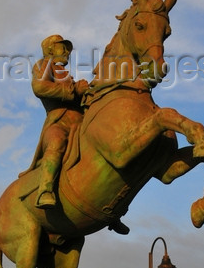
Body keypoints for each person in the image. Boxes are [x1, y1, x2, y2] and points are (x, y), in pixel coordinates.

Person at [23, 34, 129, 234]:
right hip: (59, 122)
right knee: (56, 142)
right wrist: (73, 89)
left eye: (67, 49)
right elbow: (39, 87)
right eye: (62, 48)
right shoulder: (43, 65)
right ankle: (45, 190)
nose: (67, 52)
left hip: (80, 124)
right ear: (50, 50)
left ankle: (115, 212)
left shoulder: (65, 73)